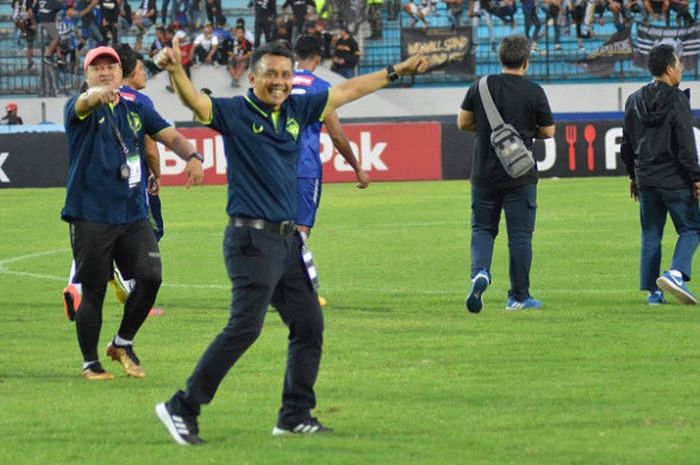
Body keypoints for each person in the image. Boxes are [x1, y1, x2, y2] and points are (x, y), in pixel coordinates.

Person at [153, 40, 426, 445]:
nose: (279, 82)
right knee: (245, 327)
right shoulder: (235, 112)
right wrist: (177, 72)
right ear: (253, 77)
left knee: (309, 324)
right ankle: (182, 406)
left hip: (287, 241)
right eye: (271, 74)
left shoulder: (297, 109)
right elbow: (197, 104)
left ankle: (294, 414)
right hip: (250, 239)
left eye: (285, 75)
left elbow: (347, 91)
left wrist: (397, 70)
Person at [62, 46, 204, 381]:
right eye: (97, 68)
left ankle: (122, 343)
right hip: (91, 214)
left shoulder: (136, 106)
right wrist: (98, 94)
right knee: (94, 290)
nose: (105, 72)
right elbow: (86, 101)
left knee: (151, 276)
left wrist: (193, 155)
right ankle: (90, 364)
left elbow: (168, 134)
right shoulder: (78, 106)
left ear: (119, 71)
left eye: (110, 66)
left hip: (132, 214)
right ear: (87, 74)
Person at [457, 34, 554, 313]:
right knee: (520, 237)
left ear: (501, 58)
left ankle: (480, 273)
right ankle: (519, 297)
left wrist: (489, 131)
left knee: (483, 229)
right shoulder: (534, 91)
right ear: (526, 61)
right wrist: (523, 133)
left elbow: (463, 123)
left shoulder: (481, 85)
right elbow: (548, 131)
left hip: (484, 173)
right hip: (520, 175)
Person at [292, 34, 370, 306]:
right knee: (300, 230)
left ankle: (273, 290)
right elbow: (336, 135)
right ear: (318, 58)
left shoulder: (278, 83)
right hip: (304, 167)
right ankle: (305, 292)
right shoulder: (321, 88)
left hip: (275, 166)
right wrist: (357, 167)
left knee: (278, 230)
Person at [620, 44, 700, 305]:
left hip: (646, 179)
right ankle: (676, 273)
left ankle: (654, 292)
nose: (681, 69)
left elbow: (627, 145)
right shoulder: (678, 100)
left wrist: (634, 176)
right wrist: (696, 177)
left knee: (651, 233)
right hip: (674, 179)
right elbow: (686, 145)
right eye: (679, 65)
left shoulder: (633, 100)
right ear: (668, 70)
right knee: (691, 228)